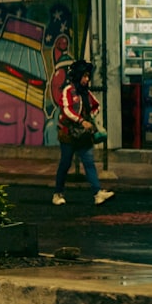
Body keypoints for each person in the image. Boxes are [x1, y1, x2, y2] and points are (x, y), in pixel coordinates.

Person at [53, 59, 114, 206]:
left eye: (88, 76)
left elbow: (96, 105)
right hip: (68, 134)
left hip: (83, 135)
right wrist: (82, 121)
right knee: (65, 164)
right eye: (84, 76)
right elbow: (66, 110)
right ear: (78, 76)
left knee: (89, 162)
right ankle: (58, 193)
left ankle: (97, 193)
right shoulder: (69, 90)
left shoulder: (87, 93)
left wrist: (92, 115)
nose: (87, 79)